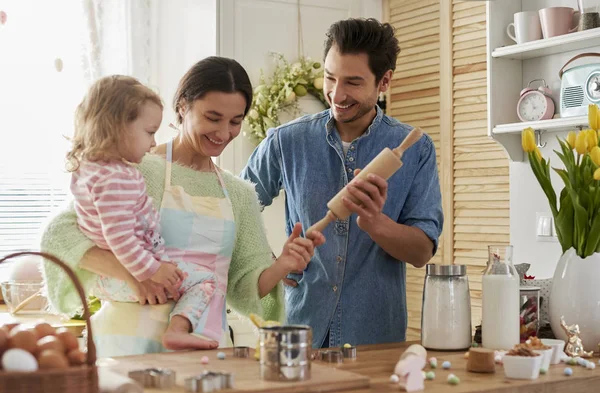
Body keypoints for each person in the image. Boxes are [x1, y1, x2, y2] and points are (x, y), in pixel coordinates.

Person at [41, 57, 324, 356]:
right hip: (126, 345)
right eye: (213, 117)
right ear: (182, 107)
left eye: (235, 121)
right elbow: (59, 237)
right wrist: (137, 275)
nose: (224, 132)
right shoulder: (134, 169)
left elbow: (243, 288)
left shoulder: (240, 195)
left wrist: (284, 264)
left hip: (203, 349)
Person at [241, 18, 443, 348]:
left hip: (376, 341)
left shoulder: (416, 149)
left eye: (352, 82)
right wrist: (272, 264)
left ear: (384, 82)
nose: (337, 93)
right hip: (301, 337)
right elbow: (236, 208)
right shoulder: (286, 141)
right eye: (330, 77)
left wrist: (375, 222)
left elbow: (422, 252)